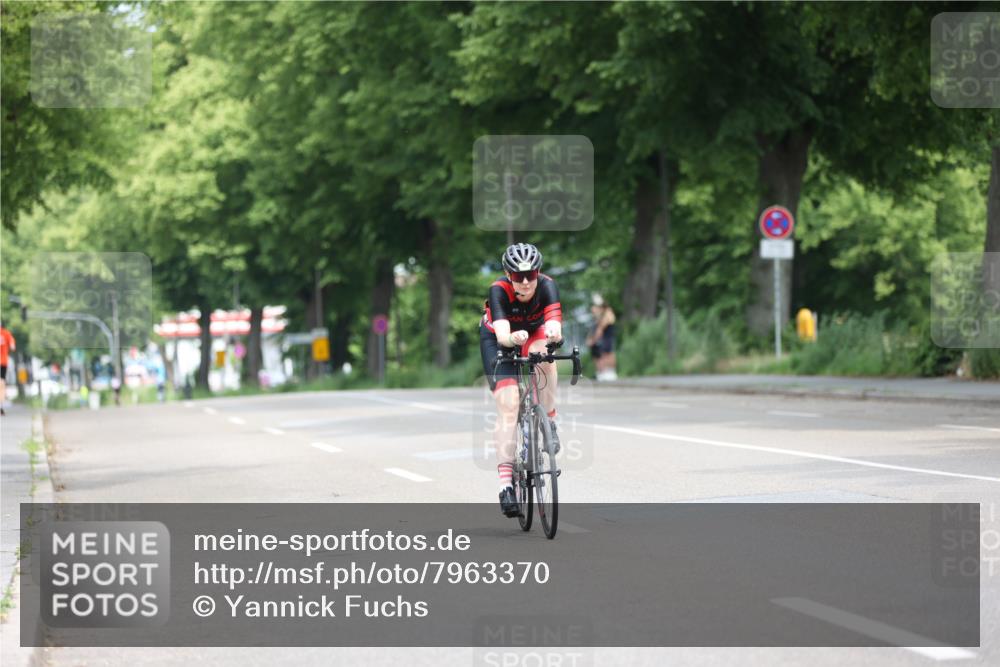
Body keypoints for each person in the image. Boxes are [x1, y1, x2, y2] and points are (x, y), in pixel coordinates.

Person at [480, 243, 562, 518]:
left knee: (546, 359)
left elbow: (555, 327)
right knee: (509, 403)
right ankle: (505, 484)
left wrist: (553, 332)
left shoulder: (548, 286)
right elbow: (503, 334)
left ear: (539, 272)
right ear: (507, 274)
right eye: (518, 276)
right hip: (499, 338)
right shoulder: (498, 290)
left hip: (533, 331)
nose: (526, 282)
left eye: (532, 274)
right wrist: (512, 340)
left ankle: (549, 419)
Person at [586, 294, 617, 381]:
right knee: (605, 353)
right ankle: (605, 372)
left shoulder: (607, 314)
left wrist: (594, 340)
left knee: (608, 354)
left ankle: (610, 372)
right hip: (607, 336)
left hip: (607, 336)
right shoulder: (604, 314)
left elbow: (600, 329)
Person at [0, 323, 15, 416]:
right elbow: (13, 347)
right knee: (1, 383)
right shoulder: (7, 333)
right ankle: (1, 405)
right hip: (3, 362)